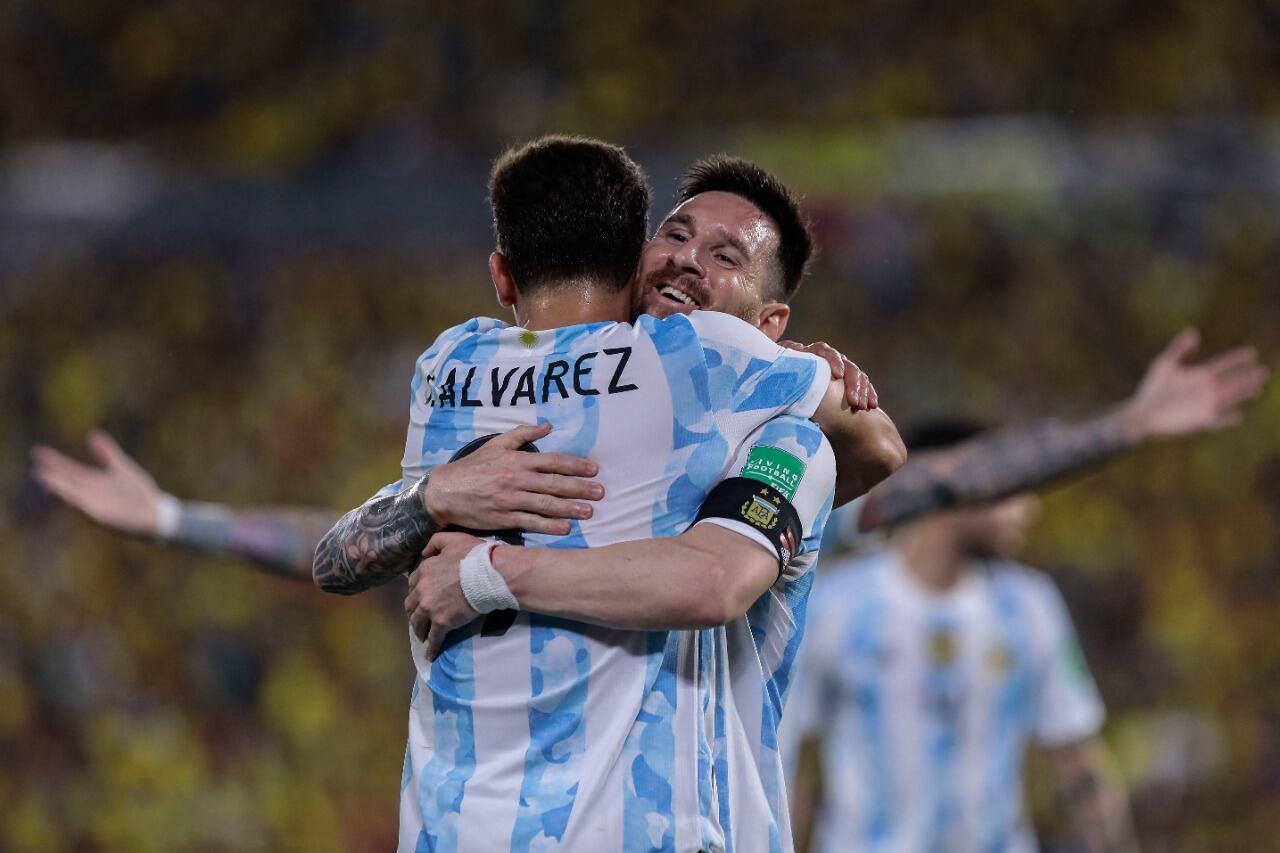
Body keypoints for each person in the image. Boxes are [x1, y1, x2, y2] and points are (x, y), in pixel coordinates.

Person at [315, 137, 904, 852]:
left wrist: (474, 559)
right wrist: (434, 495)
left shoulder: (449, 365)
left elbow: (718, 576)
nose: (688, 259)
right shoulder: (700, 365)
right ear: (632, 261)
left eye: (725, 257)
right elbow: (879, 446)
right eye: (675, 236)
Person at [31, 329, 1267, 576]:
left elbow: (946, 480)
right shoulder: (566, 472)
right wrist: (174, 517)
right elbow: (356, 538)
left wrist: (1122, 427)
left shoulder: (783, 474)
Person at [786, 420, 1138, 853]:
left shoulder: (1028, 607)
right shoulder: (837, 607)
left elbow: (1079, 762)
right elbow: (793, 769)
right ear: (948, 481)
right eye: (1010, 486)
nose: (1027, 509)